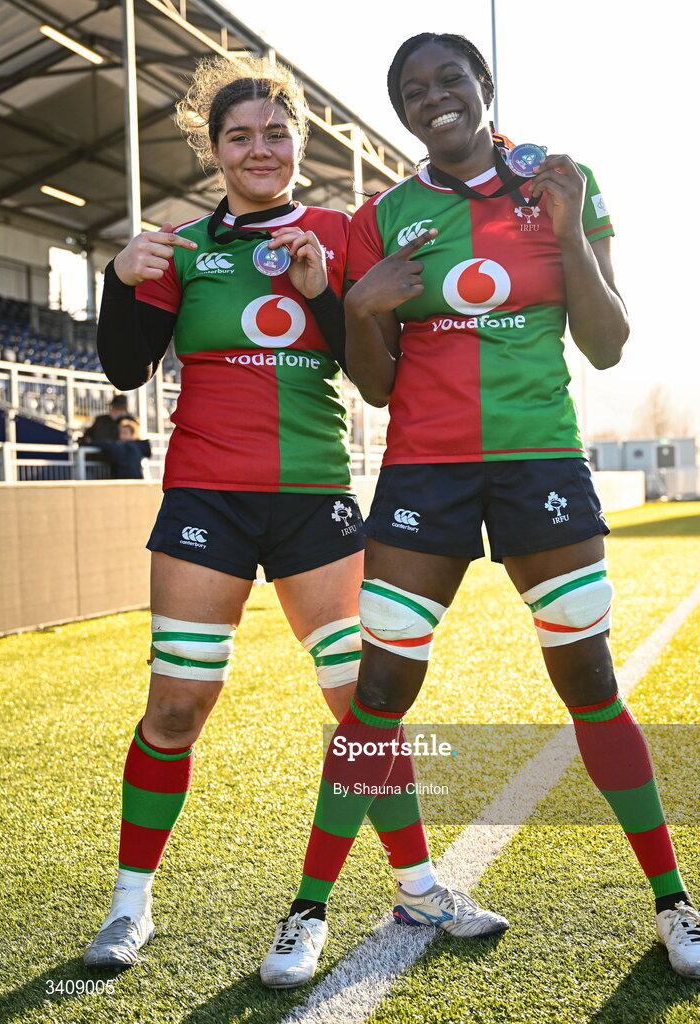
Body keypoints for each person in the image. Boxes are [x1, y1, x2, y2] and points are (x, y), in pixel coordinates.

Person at [264, 33, 700, 985]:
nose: (434, 98)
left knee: (589, 681)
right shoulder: (384, 215)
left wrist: (562, 231)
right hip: (424, 473)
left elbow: (607, 344)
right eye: (412, 90)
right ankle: (307, 911)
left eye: (450, 80)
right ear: (399, 110)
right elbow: (377, 387)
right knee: (381, 696)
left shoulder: (561, 178)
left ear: (484, 85)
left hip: (539, 464)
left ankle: (675, 900)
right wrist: (362, 306)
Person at [82, 53, 441, 972]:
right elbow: (126, 368)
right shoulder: (182, 246)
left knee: (362, 704)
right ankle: (130, 907)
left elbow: (371, 362)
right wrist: (119, 278)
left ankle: (418, 887)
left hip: (315, 499)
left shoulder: (337, 228)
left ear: (298, 142)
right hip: (207, 497)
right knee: (176, 705)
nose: (259, 149)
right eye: (238, 136)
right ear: (214, 150)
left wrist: (326, 289)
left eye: (275, 133)